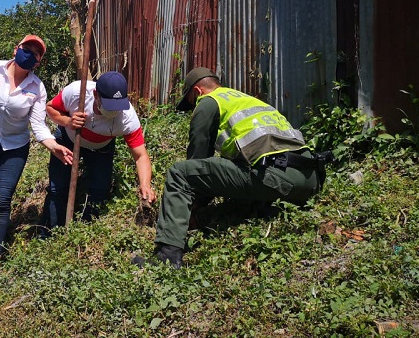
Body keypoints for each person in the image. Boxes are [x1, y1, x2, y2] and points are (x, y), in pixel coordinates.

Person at [138, 67, 326, 269]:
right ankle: (261, 207)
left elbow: (197, 161)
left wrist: (193, 207)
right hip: (311, 178)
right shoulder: (246, 99)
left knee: (180, 173)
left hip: (275, 176)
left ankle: (167, 256)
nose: (194, 109)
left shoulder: (209, 102)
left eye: (192, 104)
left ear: (198, 91)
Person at [0, 35, 73, 280]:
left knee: (2, 200)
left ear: (38, 62)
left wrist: (54, 146)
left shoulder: (37, 87)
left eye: (36, 53)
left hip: (14, 148)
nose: (30, 54)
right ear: (17, 48)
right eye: (27, 48)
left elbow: (38, 124)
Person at [41, 71, 157, 236]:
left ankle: (87, 233)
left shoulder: (128, 117)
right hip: (68, 140)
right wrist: (68, 121)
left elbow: (140, 155)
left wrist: (145, 184)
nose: (115, 111)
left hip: (101, 147)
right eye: (110, 106)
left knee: (100, 190)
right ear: (96, 94)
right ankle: (49, 233)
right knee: (57, 188)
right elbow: (50, 107)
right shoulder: (77, 92)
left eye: (118, 106)